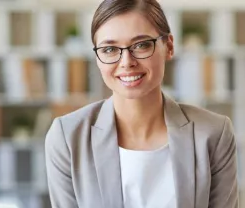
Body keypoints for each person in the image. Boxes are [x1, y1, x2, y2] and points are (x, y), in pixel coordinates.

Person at [44, 0, 239, 207]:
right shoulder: (67, 137)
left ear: (169, 46)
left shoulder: (213, 133)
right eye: (109, 49)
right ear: (97, 58)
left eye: (141, 45)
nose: (127, 61)